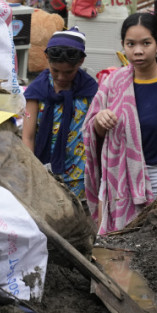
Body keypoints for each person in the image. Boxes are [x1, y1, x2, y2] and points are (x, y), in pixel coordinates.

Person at [83, 12, 157, 235]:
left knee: (153, 249)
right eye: (130, 44)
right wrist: (99, 122)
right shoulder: (113, 83)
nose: (138, 51)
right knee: (115, 248)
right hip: (117, 182)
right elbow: (93, 132)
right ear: (123, 45)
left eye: (146, 43)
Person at [22, 27, 98, 200]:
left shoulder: (91, 90)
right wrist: (32, 170)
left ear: (80, 62)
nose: (61, 77)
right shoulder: (37, 91)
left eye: (68, 72)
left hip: (79, 173)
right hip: (42, 171)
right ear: (47, 58)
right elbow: (28, 136)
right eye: (55, 70)